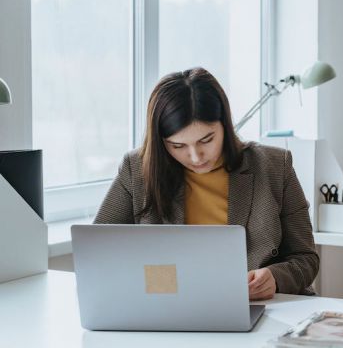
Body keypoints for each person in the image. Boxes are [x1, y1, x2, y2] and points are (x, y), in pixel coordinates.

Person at [94, 67, 319, 300]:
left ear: (225, 124)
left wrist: (275, 277)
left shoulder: (274, 166)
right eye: (178, 146)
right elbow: (98, 252)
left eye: (206, 139)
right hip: (168, 307)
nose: (196, 156)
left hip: (259, 308)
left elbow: (306, 259)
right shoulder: (137, 170)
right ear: (161, 142)